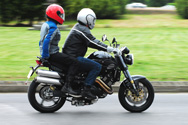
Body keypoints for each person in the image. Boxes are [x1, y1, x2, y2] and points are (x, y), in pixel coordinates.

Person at [62, 8, 117, 100]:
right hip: (73, 58)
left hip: (72, 56)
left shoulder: (80, 27)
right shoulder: (81, 29)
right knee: (97, 66)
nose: (93, 22)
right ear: (87, 18)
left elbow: (92, 41)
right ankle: (86, 90)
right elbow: (93, 42)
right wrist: (108, 48)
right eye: (93, 19)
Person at [39, 4, 79, 95]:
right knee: (75, 62)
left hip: (48, 53)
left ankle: (65, 82)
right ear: (54, 14)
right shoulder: (53, 26)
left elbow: (40, 42)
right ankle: (68, 86)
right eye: (60, 15)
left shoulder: (45, 24)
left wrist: (43, 53)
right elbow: (46, 41)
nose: (61, 17)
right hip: (52, 54)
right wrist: (45, 56)